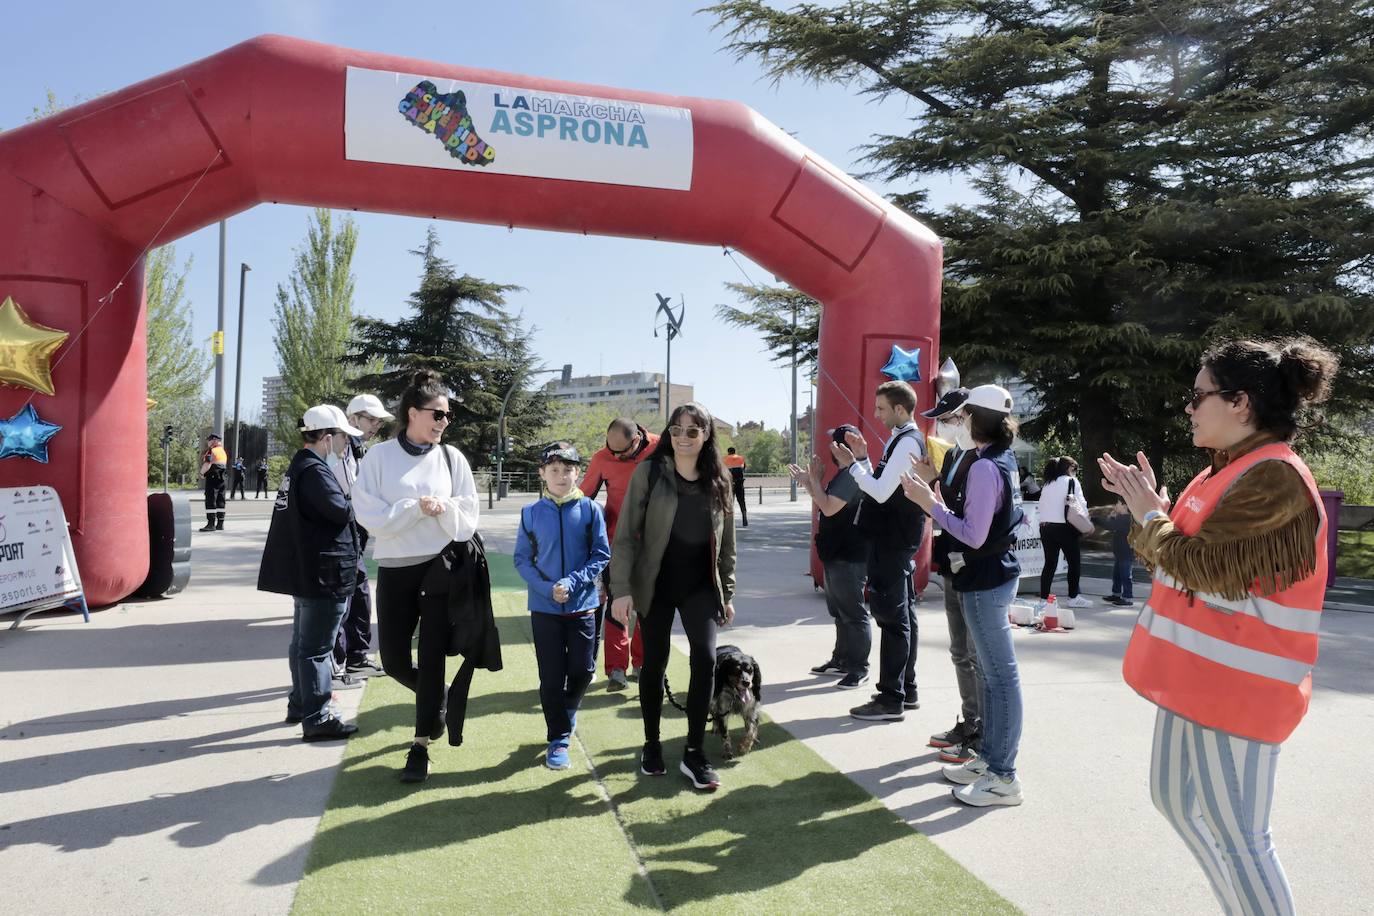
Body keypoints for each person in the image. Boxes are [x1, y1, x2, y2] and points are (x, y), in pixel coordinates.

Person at [1100, 336, 1337, 916]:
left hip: (1241, 688)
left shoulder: (1274, 477)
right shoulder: (1223, 472)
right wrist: (1153, 512)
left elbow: (1204, 570)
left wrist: (1150, 516)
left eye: (1197, 395)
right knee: (1176, 802)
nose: (1188, 407)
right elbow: (1174, 555)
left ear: (1240, 403)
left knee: (1244, 841)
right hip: (1199, 680)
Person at [353, 370, 480, 784]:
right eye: (437, 414)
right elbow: (371, 519)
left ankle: (420, 745)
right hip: (394, 569)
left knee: (430, 657)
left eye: (447, 416)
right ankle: (436, 700)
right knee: (392, 660)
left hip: (440, 567)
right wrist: (414, 508)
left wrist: (443, 509)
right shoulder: (378, 458)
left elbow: (468, 521)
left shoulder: (452, 458)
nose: (444, 422)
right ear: (413, 413)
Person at [902, 384, 1025, 807]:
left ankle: (1003, 775)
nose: (956, 422)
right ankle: (991, 761)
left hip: (986, 577)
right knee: (993, 678)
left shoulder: (984, 466)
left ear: (974, 418)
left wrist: (927, 502)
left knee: (999, 679)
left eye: (962, 415)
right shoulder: (992, 460)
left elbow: (973, 533)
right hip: (988, 575)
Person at [610, 402, 737, 791]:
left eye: (693, 431)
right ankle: (651, 744)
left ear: (706, 436)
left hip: (700, 586)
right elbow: (626, 535)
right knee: (654, 664)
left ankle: (694, 751)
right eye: (676, 430)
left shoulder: (720, 478)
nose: (683, 438)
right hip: (656, 583)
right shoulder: (650, 472)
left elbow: (727, 542)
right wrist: (621, 590)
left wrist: (727, 590)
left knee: (705, 659)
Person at [256, 404, 364, 742]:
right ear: (328, 437)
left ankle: (301, 704)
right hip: (324, 574)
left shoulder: (300, 466)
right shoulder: (315, 472)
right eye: (344, 437)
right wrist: (355, 493)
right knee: (316, 648)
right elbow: (342, 510)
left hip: (311, 572)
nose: (347, 445)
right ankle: (317, 716)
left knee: (303, 644)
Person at [832, 380, 927, 721]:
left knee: (892, 619)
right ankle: (905, 689)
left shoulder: (906, 442)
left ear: (900, 410)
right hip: (896, 540)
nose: (876, 414)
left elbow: (880, 493)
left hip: (892, 541)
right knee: (904, 618)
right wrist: (862, 459)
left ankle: (890, 698)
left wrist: (854, 465)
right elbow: (882, 484)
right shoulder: (901, 440)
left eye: (881, 409)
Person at [514, 442, 611, 770]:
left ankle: (567, 711)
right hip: (544, 610)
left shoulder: (590, 511)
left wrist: (572, 583)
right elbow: (521, 560)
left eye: (567, 470)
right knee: (551, 678)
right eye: (553, 470)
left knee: (583, 671)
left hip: (582, 605)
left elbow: (601, 554)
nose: (561, 476)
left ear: (577, 473)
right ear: (542, 473)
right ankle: (559, 737)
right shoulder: (530, 514)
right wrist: (546, 588)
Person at [919, 387, 983, 765]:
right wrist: (930, 484)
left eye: (949, 417)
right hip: (953, 561)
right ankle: (971, 721)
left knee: (974, 654)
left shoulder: (983, 459)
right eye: (942, 418)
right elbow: (947, 508)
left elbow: (965, 516)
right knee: (960, 651)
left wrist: (931, 493)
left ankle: (981, 731)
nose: (943, 424)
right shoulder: (957, 455)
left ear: (967, 415)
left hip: (973, 565)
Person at [580, 417, 659, 690]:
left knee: (646, 608)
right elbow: (583, 496)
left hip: (654, 544)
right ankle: (616, 669)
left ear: (637, 438)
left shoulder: (662, 448)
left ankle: (642, 664)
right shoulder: (602, 458)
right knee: (617, 607)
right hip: (617, 544)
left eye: (621, 452)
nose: (615, 457)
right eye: (611, 450)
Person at [789, 424, 870, 688]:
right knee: (840, 611)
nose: (830, 449)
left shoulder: (852, 475)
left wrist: (813, 480)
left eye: (834, 444)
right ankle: (842, 660)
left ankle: (859, 667)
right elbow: (823, 501)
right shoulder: (844, 474)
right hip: (836, 553)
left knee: (853, 613)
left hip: (849, 555)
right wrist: (810, 482)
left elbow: (828, 506)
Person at [329, 393, 395, 679]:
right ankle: (340, 661)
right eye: (370, 419)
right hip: (340, 534)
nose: (375, 426)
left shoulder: (357, 450)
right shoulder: (340, 448)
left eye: (378, 422)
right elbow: (346, 492)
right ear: (352, 418)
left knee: (358, 595)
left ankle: (355, 657)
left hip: (353, 534)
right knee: (345, 600)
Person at [1037, 456, 1092, 609]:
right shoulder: (1072, 482)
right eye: (1075, 469)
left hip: (1045, 527)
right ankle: (1073, 597)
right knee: (1074, 563)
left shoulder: (1048, 483)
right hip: (1065, 527)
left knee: (1049, 564)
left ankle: (1043, 600)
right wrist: (1086, 523)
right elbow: (1081, 504)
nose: (1075, 473)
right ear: (1069, 468)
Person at [1102, 500, 1136, 607]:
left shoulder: (1126, 519)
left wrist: (1094, 519)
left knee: (1125, 576)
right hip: (1120, 553)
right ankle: (1116, 594)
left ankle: (1127, 597)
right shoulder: (1120, 518)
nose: (1115, 505)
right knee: (1117, 575)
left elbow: (1110, 526)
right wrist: (1112, 517)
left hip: (1126, 553)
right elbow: (1113, 526)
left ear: (1125, 506)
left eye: (1118, 504)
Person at [199, 433, 228, 532]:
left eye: (209, 440)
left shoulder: (212, 451)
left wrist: (201, 473)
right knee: (221, 499)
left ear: (214, 440)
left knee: (211, 499)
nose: (208, 442)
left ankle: (210, 524)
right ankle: (220, 523)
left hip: (212, 477)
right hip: (222, 477)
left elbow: (207, 464)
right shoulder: (223, 451)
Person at [724, 447, 749, 526]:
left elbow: (722, 470)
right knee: (742, 501)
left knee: (729, 502)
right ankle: (744, 518)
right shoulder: (741, 458)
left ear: (728, 452)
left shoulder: (725, 459)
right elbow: (744, 468)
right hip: (739, 482)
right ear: (735, 452)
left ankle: (729, 521)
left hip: (729, 483)